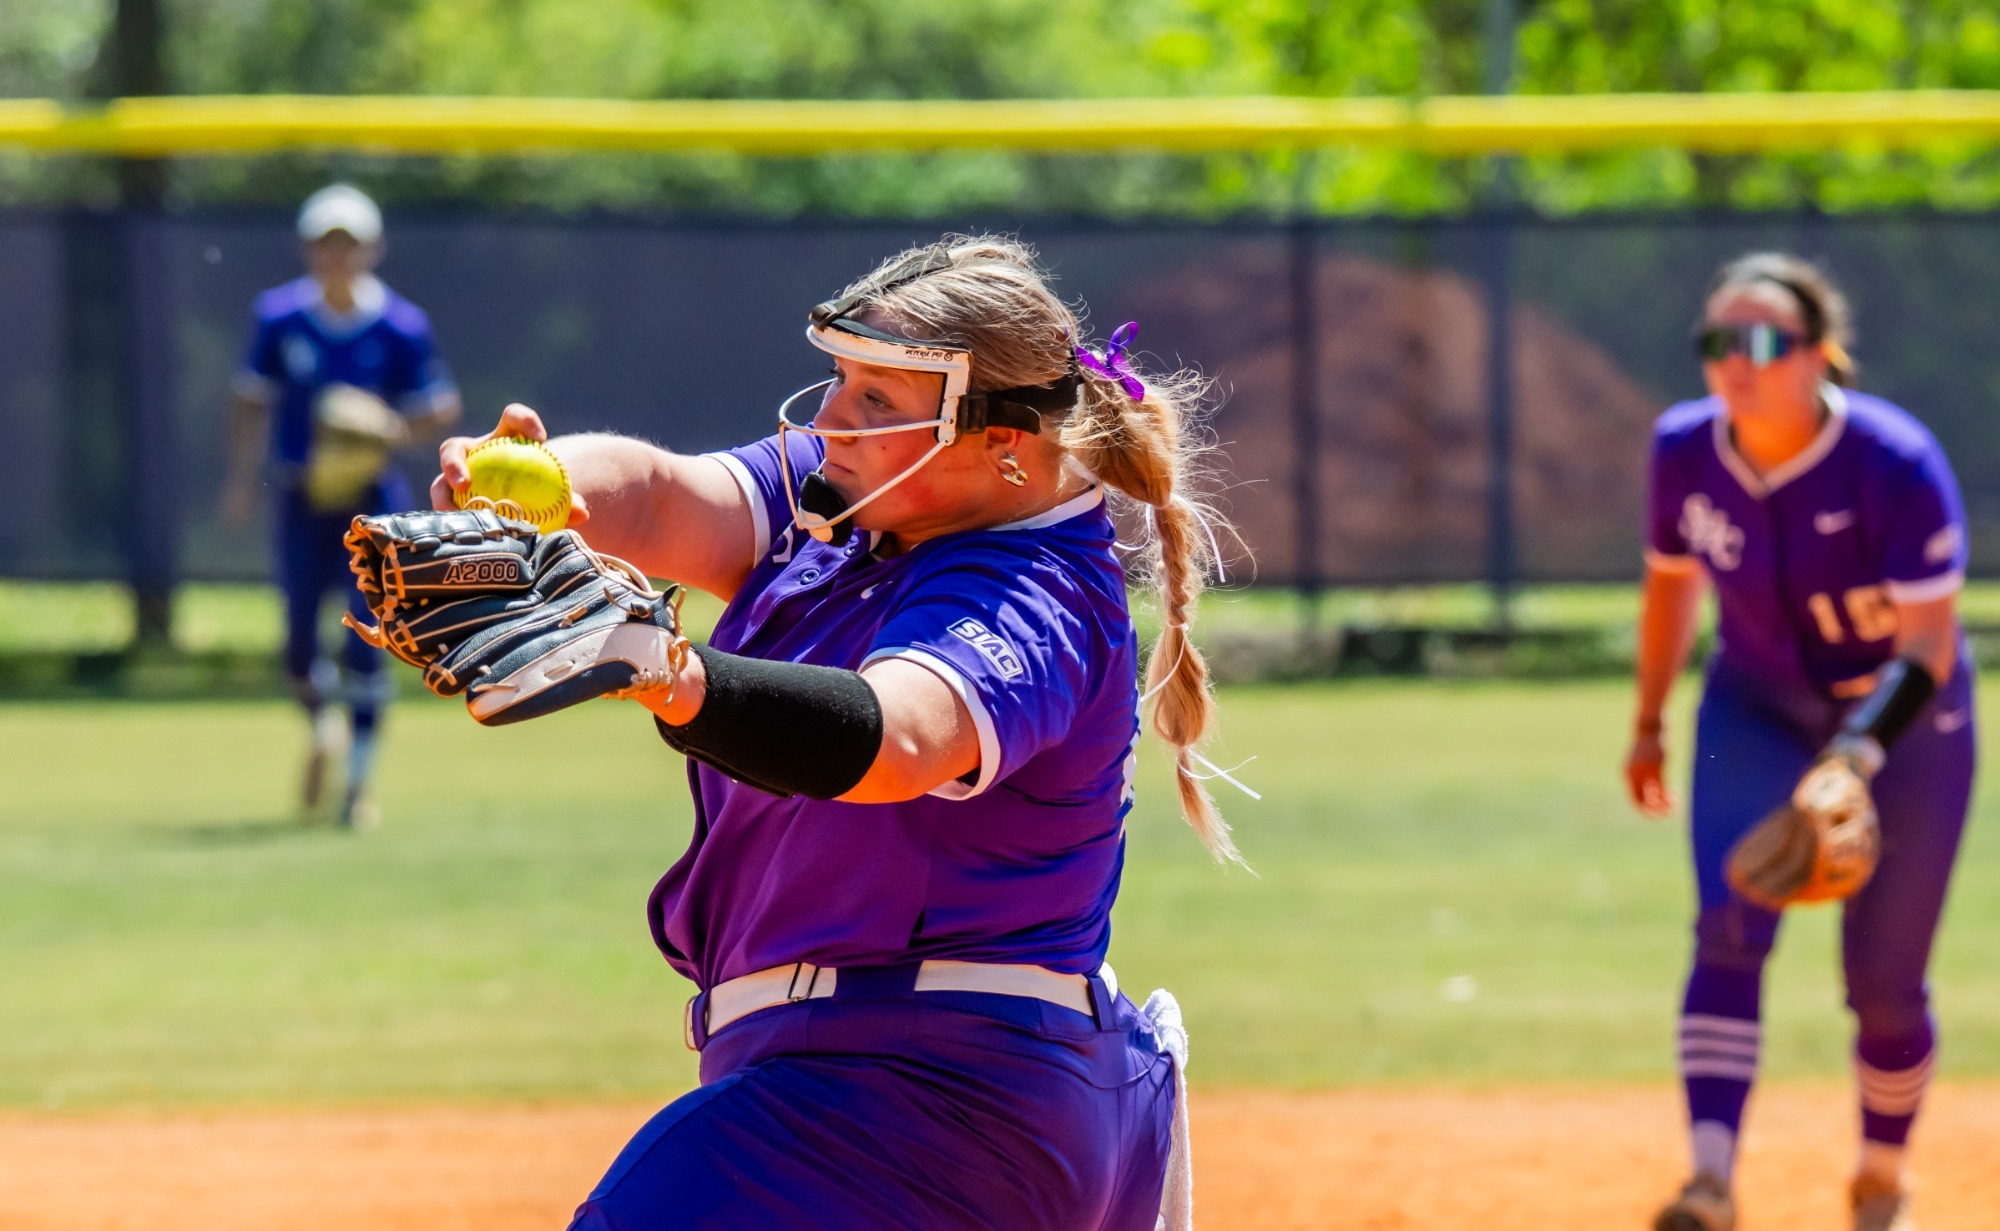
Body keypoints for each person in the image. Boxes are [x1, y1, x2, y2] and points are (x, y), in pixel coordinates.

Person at [431, 237, 1239, 1230]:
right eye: (838, 382)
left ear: (1005, 443)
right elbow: (657, 494)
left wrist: (665, 670)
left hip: (930, 1096)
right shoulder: (853, 505)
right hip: (888, 1090)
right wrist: (544, 484)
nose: (829, 422)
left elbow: (895, 740)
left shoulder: (1033, 588)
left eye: (874, 400)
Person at [1626, 253, 1974, 1231]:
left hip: (1904, 723)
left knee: (1884, 978)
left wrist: (1857, 754)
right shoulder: (1682, 450)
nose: (1736, 361)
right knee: (1728, 923)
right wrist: (1648, 721)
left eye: (1764, 341)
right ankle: (1707, 1182)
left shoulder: (1894, 463)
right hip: (1756, 702)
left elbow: (1926, 648)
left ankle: (1878, 1180)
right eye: (1716, 343)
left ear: (1817, 356)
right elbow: (1668, 588)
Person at [222, 184, 461, 828]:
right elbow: (251, 399)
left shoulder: (399, 324)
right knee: (299, 643)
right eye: (327, 242)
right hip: (303, 496)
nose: (337, 255)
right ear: (308, 248)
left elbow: (440, 406)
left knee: (368, 637)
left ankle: (357, 784)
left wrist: (384, 426)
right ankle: (323, 726)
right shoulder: (280, 317)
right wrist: (243, 478)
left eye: (348, 242)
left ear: (372, 249)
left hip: (372, 505)